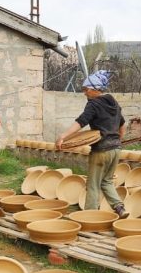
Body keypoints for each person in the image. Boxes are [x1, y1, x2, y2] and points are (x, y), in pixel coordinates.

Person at [55, 71, 128, 217]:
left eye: (86, 89)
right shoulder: (114, 103)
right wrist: (118, 140)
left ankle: (90, 217)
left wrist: (63, 136)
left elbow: (81, 121)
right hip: (116, 149)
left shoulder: (93, 104)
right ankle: (120, 208)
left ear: (95, 89)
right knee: (106, 181)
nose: (84, 93)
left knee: (93, 184)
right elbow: (122, 124)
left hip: (101, 150)